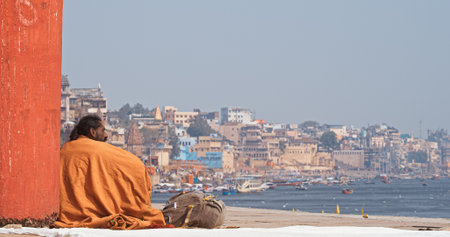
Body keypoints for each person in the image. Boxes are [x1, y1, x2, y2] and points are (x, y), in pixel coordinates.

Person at [53, 115, 168, 229]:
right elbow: (137, 166)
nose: (106, 135)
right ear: (92, 132)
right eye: (103, 131)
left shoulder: (64, 149)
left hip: (68, 215)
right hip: (94, 215)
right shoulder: (97, 149)